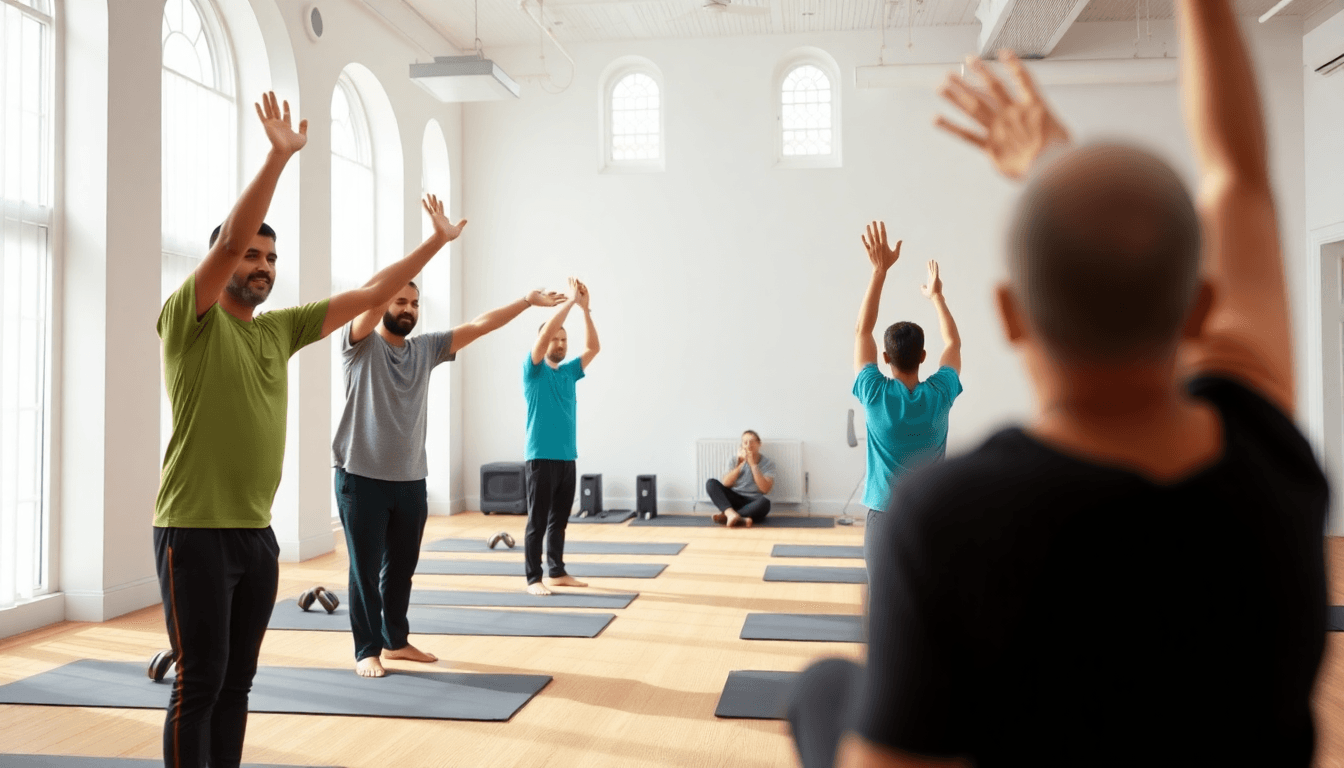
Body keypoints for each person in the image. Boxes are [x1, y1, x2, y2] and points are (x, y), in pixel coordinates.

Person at [788, 3, 1329, 767]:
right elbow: (1238, 176)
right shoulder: (1270, 457)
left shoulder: (944, 522)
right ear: (1196, 305)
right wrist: (1056, 163)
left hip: (898, 537)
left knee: (824, 689)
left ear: (1015, 315)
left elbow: (1236, 181)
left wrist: (1045, 174)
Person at [154, 92, 465, 767]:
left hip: (255, 536)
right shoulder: (190, 320)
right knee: (199, 683)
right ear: (219, 266)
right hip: (194, 531)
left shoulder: (278, 330)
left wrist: (431, 248)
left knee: (238, 683)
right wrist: (276, 157)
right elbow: (234, 235)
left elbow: (373, 291)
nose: (260, 265)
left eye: (270, 260)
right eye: (249, 257)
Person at [333, 282, 567, 678]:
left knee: (401, 568)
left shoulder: (425, 349)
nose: (409, 309)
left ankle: (396, 641)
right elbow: (369, 307)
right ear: (382, 302)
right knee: (365, 569)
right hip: (361, 476)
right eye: (400, 301)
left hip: (410, 478)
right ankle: (366, 650)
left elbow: (479, 325)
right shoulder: (359, 345)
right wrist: (403, 271)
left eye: (414, 303)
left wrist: (527, 301)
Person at [852, 225, 962, 571]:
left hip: (884, 516)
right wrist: (936, 297)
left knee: (885, 609)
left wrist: (879, 271)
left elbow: (862, 331)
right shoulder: (940, 393)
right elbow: (953, 345)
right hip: (932, 514)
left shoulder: (873, 392)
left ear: (885, 358)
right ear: (923, 356)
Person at [522, 278, 600, 596]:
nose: (560, 343)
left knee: (559, 520)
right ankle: (533, 578)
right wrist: (567, 302)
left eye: (564, 339)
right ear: (544, 340)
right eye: (554, 338)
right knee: (537, 522)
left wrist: (585, 309)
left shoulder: (569, 372)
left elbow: (594, 348)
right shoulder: (534, 369)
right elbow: (543, 340)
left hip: (568, 457)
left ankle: (556, 571)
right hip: (541, 457)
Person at [705, 430, 776, 527]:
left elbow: (765, 489)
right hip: (734, 498)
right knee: (711, 483)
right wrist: (740, 464)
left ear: (759, 444)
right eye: (745, 442)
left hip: (753, 501)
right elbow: (726, 483)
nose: (748, 445)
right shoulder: (735, 460)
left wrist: (753, 465)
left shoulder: (768, 463)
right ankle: (731, 514)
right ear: (742, 445)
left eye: (752, 442)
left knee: (765, 503)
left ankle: (729, 516)